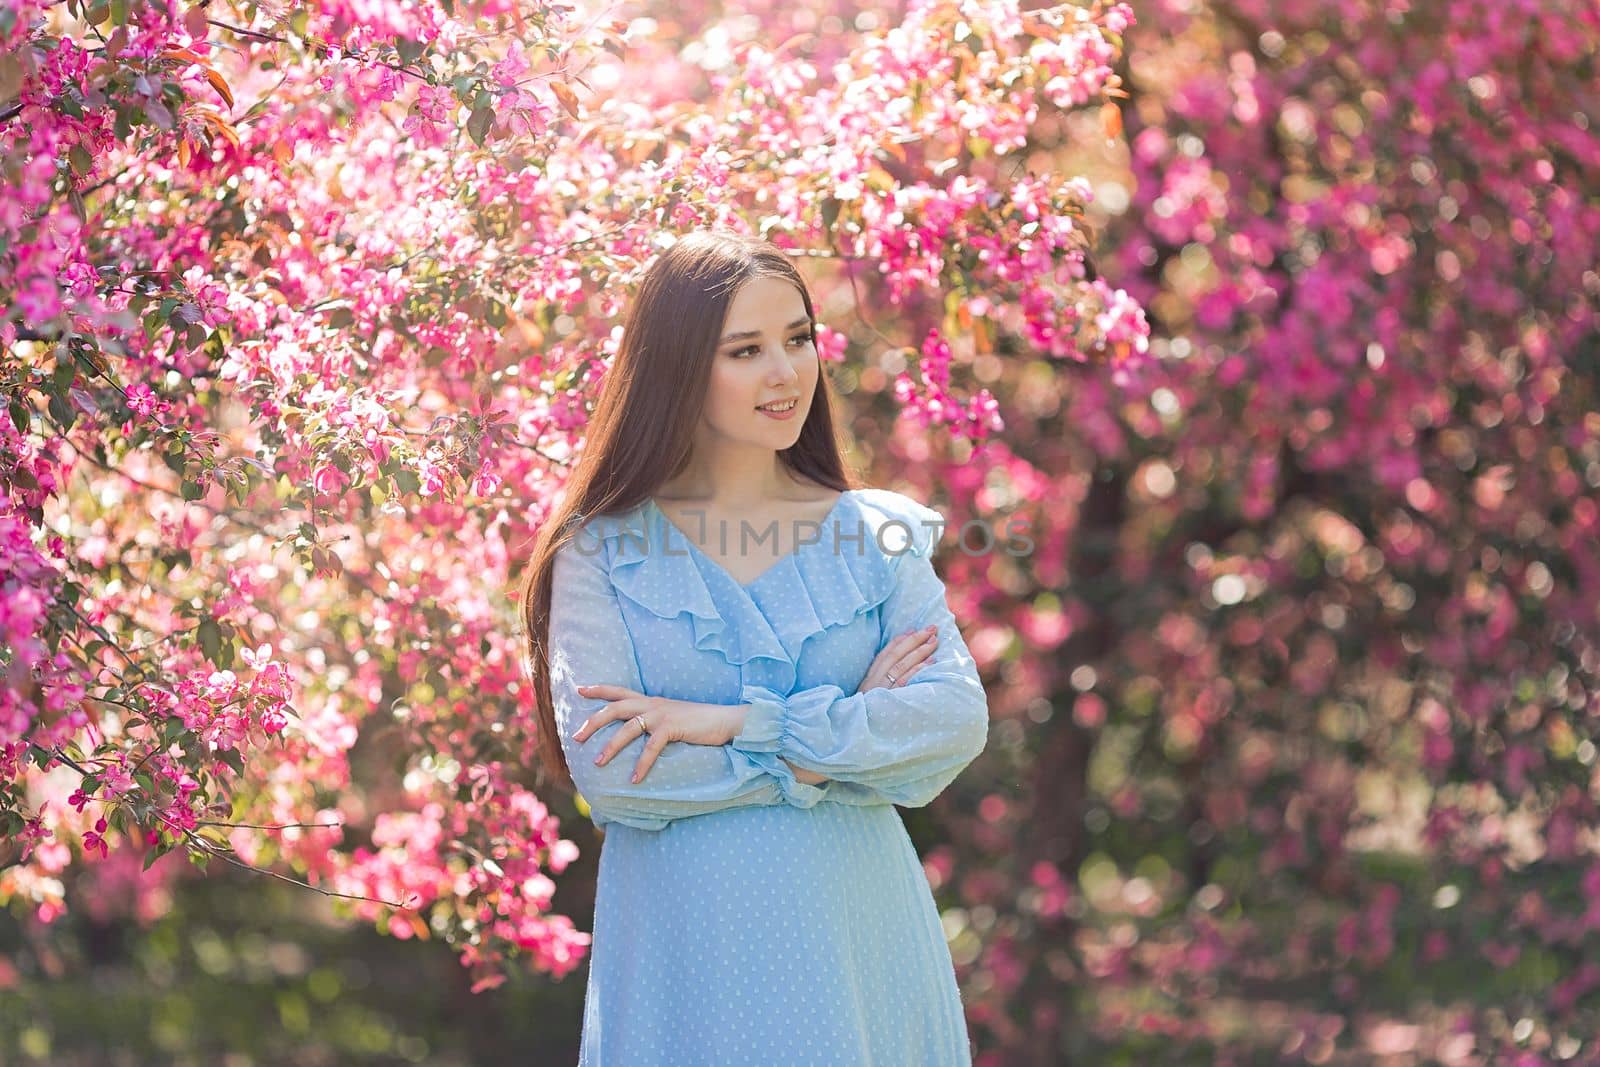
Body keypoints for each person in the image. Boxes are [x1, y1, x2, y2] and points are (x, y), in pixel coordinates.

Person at [518, 228, 990, 1065]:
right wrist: (840, 740)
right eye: (746, 349)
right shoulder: (598, 549)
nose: (787, 371)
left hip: (861, 948)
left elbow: (953, 720)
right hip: (689, 967)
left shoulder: (874, 535)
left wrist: (735, 725)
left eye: (799, 338)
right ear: (678, 368)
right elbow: (616, 774)